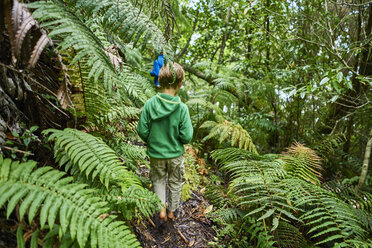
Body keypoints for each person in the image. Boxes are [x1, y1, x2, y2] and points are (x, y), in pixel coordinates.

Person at [137, 62, 193, 221]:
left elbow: (141, 130)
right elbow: (187, 137)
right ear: (180, 84)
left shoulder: (149, 104)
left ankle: (161, 209)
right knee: (175, 183)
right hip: (175, 155)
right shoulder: (182, 108)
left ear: (159, 81)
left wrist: (152, 140)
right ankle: (172, 211)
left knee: (158, 180)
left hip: (156, 155)